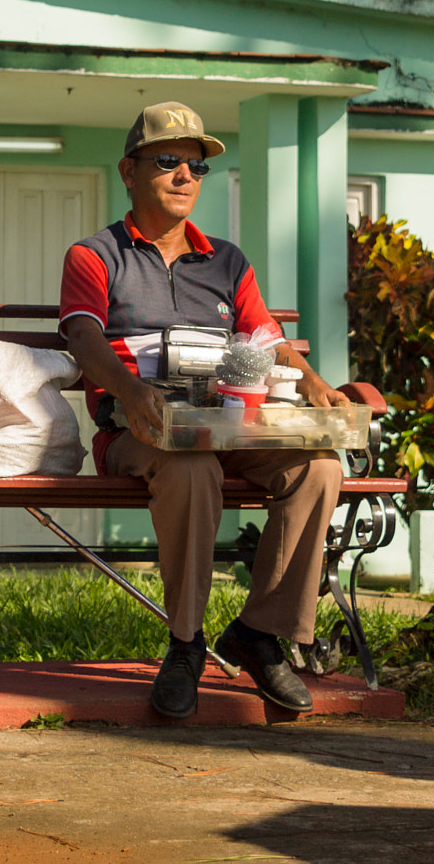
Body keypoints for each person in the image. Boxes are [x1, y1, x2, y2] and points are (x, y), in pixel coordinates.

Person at [59, 101, 348, 717]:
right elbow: (82, 338)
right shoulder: (94, 256)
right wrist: (133, 393)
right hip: (139, 431)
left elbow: (267, 340)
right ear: (129, 171)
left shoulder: (227, 261)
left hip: (226, 424)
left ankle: (260, 634)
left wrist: (315, 382)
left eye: (196, 167)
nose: (186, 176)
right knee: (193, 469)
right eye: (168, 162)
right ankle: (186, 643)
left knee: (320, 467)